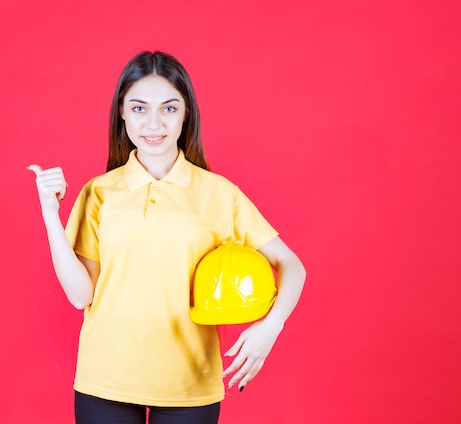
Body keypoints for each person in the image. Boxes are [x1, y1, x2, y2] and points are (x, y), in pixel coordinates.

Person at [28, 51, 306, 424]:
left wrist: (270, 328)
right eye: (140, 109)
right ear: (122, 113)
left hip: (189, 382)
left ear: (186, 113)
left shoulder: (218, 193)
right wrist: (50, 213)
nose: (154, 123)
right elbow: (81, 295)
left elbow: (291, 264)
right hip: (106, 378)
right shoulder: (99, 192)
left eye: (169, 109)